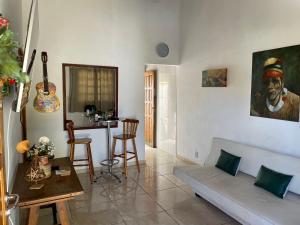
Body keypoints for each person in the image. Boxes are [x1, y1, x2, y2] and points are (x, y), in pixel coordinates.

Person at [251, 57, 300, 122]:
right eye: (266, 82)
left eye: (275, 81)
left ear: (282, 83)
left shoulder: (295, 102)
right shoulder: (259, 101)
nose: (269, 86)